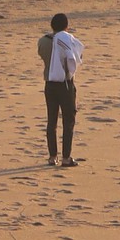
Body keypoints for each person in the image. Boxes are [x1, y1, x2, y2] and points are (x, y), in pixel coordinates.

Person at [41, 12, 82, 167]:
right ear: (66, 26)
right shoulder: (67, 41)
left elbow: (43, 56)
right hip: (65, 84)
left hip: (49, 83)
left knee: (51, 120)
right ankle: (66, 157)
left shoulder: (43, 41)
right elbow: (75, 59)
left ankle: (52, 156)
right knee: (68, 120)